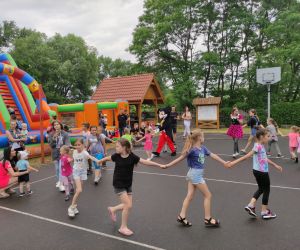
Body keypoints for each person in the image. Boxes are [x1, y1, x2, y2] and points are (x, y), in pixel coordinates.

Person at [98, 138, 164, 236]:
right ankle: (123, 227)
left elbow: (145, 162)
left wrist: (159, 165)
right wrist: (101, 160)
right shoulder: (116, 156)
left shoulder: (132, 157)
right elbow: (108, 158)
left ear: (124, 147)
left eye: (117, 146)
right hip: (118, 184)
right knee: (127, 205)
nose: (115, 148)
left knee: (128, 205)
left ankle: (113, 209)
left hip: (128, 184)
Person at [163, 129, 227, 227]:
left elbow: (213, 155)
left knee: (190, 195)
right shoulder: (192, 150)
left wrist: (224, 162)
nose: (204, 138)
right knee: (208, 195)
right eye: (203, 136)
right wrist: (167, 165)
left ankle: (181, 216)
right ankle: (208, 218)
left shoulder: (203, 148)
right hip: (195, 175)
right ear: (199, 138)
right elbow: (180, 159)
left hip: (194, 174)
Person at [226, 129, 283, 219]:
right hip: (262, 172)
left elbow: (264, 158)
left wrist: (275, 165)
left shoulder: (260, 146)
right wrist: (233, 163)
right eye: (267, 136)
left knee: (261, 188)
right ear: (261, 137)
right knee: (266, 189)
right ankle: (264, 211)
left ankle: (251, 205)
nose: (269, 138)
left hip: (257, 171)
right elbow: (247, 156)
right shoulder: (258, 146)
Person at [68, 139, 101, 218]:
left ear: (83, 145)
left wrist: (99, 161)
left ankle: (74, 206)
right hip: (76, 172)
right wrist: (71, 160)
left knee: (78, 191)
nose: (77, 146)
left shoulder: (85, 153)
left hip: (83, 172)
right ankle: (71, 208)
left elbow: (91, 157)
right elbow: (75, 159)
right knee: (79, 190)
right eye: (76, 145)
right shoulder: (74, 152)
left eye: (79, 145)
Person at [48, 121, 70, 191]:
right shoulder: (51, 134)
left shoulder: (65, 134)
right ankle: (60, 181)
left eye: (57, 124)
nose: (56, 126)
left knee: (62, 169)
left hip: (63, 154)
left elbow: (67, 143)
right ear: (53, 126)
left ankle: (62, 183)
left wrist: (65, 150)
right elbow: (51, 145)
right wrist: (54, 138)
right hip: (55, 153)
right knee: (57, 169)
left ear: (60, 125)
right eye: (55, 125)